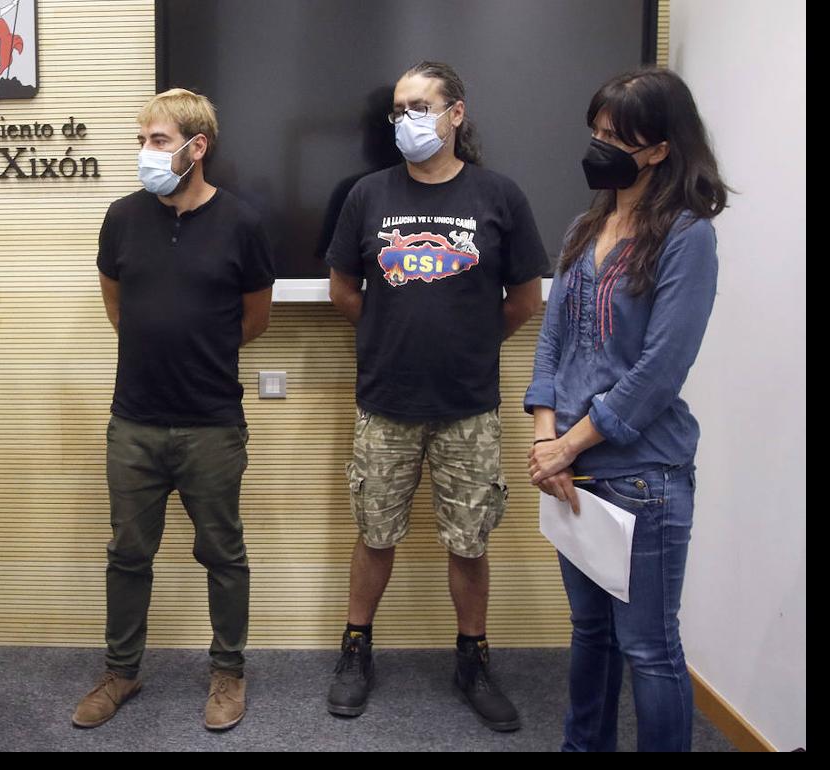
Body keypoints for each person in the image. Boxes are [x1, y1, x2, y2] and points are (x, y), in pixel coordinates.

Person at [324, 61, 545, 730]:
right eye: (398, 109)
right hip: (386, 400)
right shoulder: (366, 195)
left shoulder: (499, 196)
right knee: (375, 534)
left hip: (468, 405)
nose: (406, 120)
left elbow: (526, 300)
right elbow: (342, 291)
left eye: (420, 105)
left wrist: (469, 341)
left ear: (456, 114)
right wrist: (396, 333)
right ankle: (356, 648)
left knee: (470, 541)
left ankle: (472, 657)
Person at [525, 67, 728, 752]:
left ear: (661, 148)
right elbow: (552, 339)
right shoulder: (588, 224)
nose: (599, 146)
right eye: (596, 132)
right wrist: (545, 432)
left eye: (617, 137)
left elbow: (660, 372)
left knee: (647, 647)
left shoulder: (687, 236)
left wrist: (568, 445)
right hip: (572, 471)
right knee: (591, 636)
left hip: (644, 475)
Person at [71, 88, 275, 732]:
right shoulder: (122, 218)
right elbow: (117, 307)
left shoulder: (242, 223)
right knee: (128, 553)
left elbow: (255, 318)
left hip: (212, 423)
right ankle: (121, 671)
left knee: (222, 552)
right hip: (133, 421)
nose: (145, 154)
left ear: (197, 146)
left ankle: (228, 672)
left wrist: (198, 347)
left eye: (157, 142)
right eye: (141, 142)